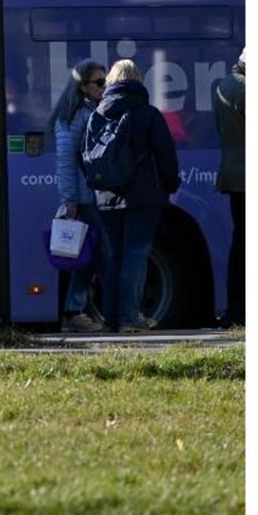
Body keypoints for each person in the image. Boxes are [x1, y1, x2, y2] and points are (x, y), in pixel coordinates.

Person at [91, 60, 180, 333]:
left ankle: (110, 319)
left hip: (106, 196)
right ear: (138, 81)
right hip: (144, 197)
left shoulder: (97, 114)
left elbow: (87, 157)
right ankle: (130, 318)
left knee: (114, 256)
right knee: (136, 255)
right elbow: (166, 156)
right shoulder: (149, 115)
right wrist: (170, 184)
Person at [50, 59, 110, 333]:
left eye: (105, 81)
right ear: (82, 86)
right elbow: (65, 160)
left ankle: (83, 308)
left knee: (90, 255)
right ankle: (75, 310)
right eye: (99, 82)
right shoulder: (73, 116)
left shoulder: (87, 111)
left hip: (90, 196)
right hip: (84, 199)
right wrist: (69, 200)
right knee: (93, 255)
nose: (104, 87)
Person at [214, 47, 245, 327]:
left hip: (234, 174)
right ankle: (239, 309)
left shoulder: (224, 85)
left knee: (241, 243)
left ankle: (235, 308)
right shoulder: (246, 89)